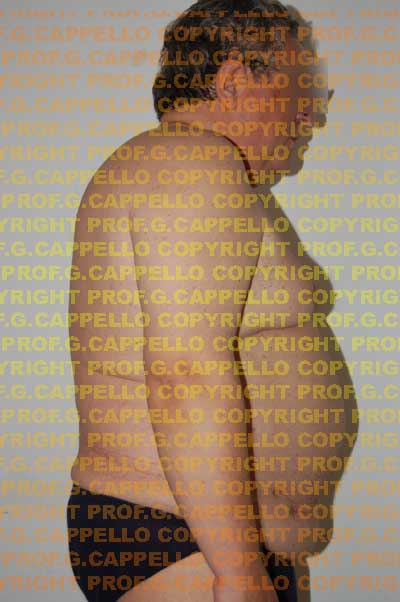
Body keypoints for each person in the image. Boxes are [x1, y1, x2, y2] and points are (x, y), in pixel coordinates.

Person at [66, 1, 358, 602]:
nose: (315, 113)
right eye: (303, 86)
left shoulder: (206, 173)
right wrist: (239, 572)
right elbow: (184, 371)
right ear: (233, 80)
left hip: (216, 542)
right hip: (191, 539)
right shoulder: (191, 158)